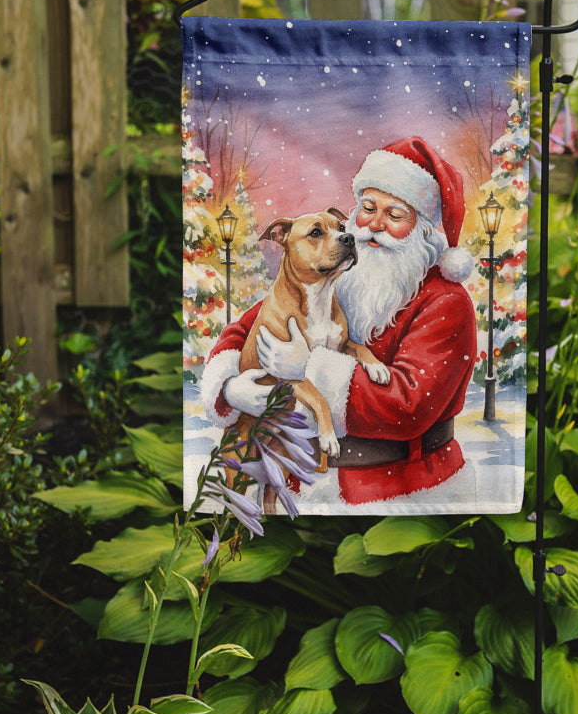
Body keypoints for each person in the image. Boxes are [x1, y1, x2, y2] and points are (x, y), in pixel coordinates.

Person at [200, 136, 478, 506]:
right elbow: (246, 328)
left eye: (394, 215)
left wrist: (310, 367)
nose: (374, 224)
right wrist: (230, 388)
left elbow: (410, 406)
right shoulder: (336, 273)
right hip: (297, 482)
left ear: (423, 229)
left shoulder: (446, 301)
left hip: (400, 489)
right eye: (367, 208)